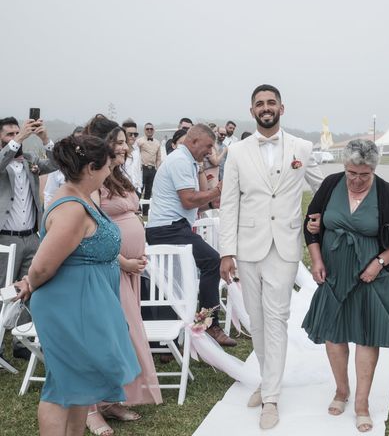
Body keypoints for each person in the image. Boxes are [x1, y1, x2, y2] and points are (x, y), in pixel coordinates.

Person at [14, 135, 140, 436]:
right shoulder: (71, 208)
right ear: (91, 168)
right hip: (69, 306)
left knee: (81, 383)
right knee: (62, 386)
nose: (111, 171)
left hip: (87, 302)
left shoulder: (86, 197)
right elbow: (43, 265)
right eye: (108, 166)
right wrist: (29, 281)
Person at [219, 84, 323, 430]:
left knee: (276, 319)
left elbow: (322, 188)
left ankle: (272, 398)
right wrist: (226, 252)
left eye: (271, 103)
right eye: (260, 104)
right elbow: (229, 202)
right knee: (257, 321)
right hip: (247, 247)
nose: (266, 108)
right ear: (252, 111)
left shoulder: (302, 148)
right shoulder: (236, 152)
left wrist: (320, 216)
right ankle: (267, 380)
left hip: (284, 245)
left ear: (282, 107)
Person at [301, 139, 389, 433]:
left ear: (373, 170)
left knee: (366, 335)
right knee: (334, 334)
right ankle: (341, 390)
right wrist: (316, 259)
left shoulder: (387, 193)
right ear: (344, 167)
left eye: (364, 174)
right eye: (352, 173)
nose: (357, 180)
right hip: (335, 272)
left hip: (369, 275)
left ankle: (362, 403)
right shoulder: (330, 185)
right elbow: (309, 225)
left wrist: (379, 263)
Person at [83, 116, 162, 435]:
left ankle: (112, 398)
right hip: (108, 269)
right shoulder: (90, 179)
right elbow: (90, 231)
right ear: (101, 145)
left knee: (122, 337)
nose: (125, 147)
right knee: (103, 337)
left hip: (128, 269)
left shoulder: (117, 176)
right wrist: (123, 261)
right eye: (117, 142)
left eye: (124, 141)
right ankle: (90, 409)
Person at [145, 124, 236, 347]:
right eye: (207, 146)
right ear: (194, 141)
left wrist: (214, 200)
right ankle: (209, 323)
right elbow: (188, 199)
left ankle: (166, 344)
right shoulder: (179, 161)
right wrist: (217, 191)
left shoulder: (188, 161)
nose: (210, 152)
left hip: (170, 227)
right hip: (168, 229)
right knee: (213, 261)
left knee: (169, 282)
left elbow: (193, 204)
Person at [0, 116, 58, 360]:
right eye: (9, 134)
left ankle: (21, 341)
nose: (15, 138)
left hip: (31, 236)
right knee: (2, 291)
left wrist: (44, 138)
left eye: (17, 133)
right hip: (5, 237)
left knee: (30, 288)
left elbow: (57, 163)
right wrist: (20, 138)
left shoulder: (30, 161)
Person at [137, 123, 162, 207]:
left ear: (153, 130)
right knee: (139, 189)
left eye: (151, 129)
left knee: (149, 191)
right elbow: (136, 155)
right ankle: (137, 209)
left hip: (152, 170)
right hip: (142, 169)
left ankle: (145, 212)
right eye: (147, 129)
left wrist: (157, 169)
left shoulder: (157, 143)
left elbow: (158, 158)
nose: (149, 130)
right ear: (144, 130)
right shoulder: (139, 141)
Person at [121, 119, 142, 196]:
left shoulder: (137, 151)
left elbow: (138, 171)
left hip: (136, 190)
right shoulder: (119, 152)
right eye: (130, 134)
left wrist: (139, 187)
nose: (133, 137)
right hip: (123, 190)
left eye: (135, 134)